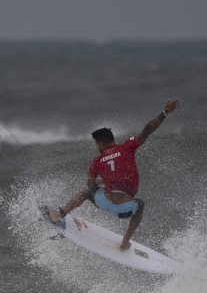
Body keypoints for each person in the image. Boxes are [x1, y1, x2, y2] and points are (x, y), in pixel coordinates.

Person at [50, 99, 181, 250]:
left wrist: (102, 180)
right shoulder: (127, 147)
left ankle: (60, 214)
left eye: (96, 144)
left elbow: (90, 184)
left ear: (101, 144)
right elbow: (147, 130)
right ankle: (125, 241)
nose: (96, 147)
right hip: (125, 208)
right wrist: (164, 113)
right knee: (140, 205)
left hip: (103, 202)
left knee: (86, 192)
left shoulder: (97, 161)